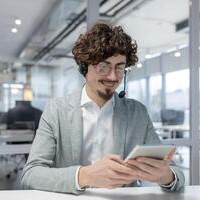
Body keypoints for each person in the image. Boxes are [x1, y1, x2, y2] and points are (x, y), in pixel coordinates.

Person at [21, 22, 184, 194]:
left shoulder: (137, 113)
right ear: (84, 67)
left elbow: (176, 174)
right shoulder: (56, 110)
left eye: (120, 68)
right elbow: (31, 175)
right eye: (103, 67)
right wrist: (85, 176)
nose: (113, 76)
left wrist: (166, 176)